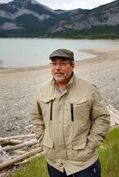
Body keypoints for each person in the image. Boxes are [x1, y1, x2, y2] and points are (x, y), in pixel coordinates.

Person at [31, 48, 110, 177]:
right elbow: (36, 117)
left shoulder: (88, 88)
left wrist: (90, 146)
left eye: (62, 63)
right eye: (54, 63)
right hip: (55, 163)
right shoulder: (43, 90)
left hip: (84, 163)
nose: (57, 68)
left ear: (72, 66)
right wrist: (43, 140)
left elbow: (102, 117)